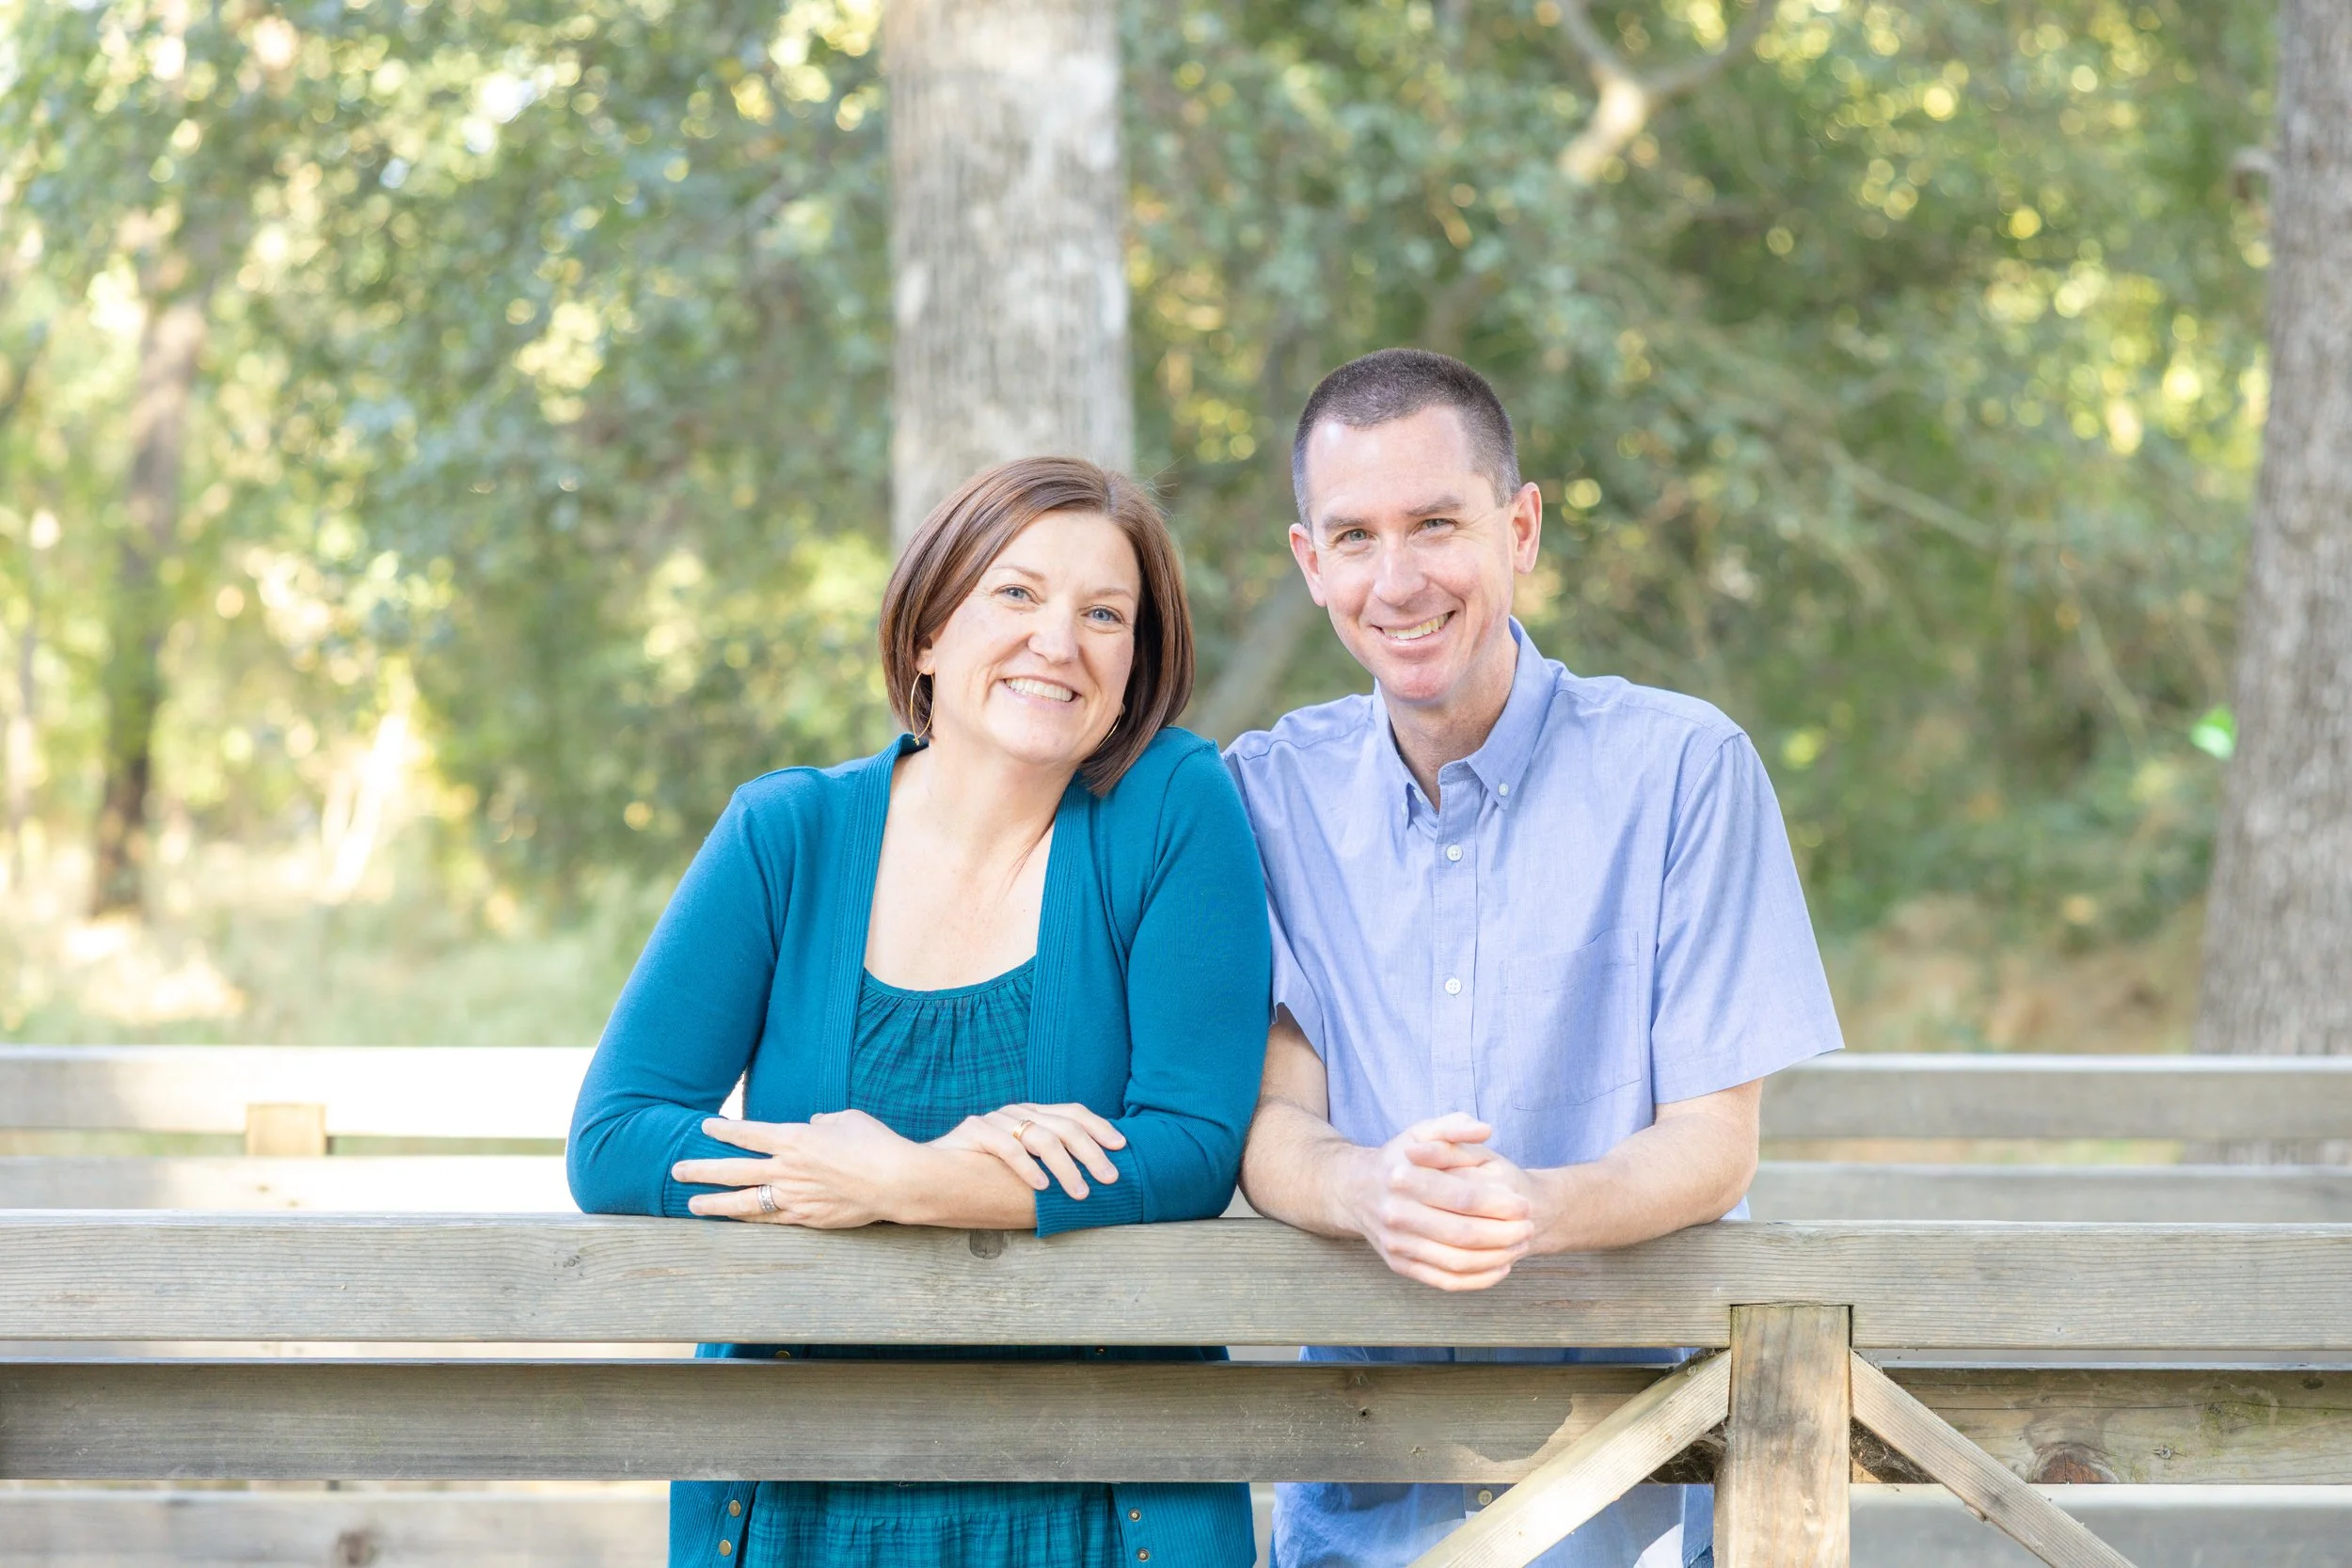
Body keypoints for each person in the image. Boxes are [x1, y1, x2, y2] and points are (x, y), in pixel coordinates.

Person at [569, 456, 1270, 1568]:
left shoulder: (1173, 805)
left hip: (1104, 1492)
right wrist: (852, 1165)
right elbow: (616, 1136)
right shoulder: (785, 833)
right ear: (928, 630)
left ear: (1134, 666)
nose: (1059, 640)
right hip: (801, 1486)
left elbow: (1188, 1145)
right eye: (1017, 593)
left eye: (1104, 613)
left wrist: (905, 1178)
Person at [1224, 349, 1845, 1568]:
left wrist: (1535, 1208)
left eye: (1436, 524)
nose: (1396, 579)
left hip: (1637, 1471)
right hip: (1365, 1469)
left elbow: (1715, 1138)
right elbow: (1275, 1116)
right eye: (1354, 536)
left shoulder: (1685, 769)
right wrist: (1369, 1191)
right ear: (1310, 563)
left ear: (1520, 528)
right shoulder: (1262, 792)